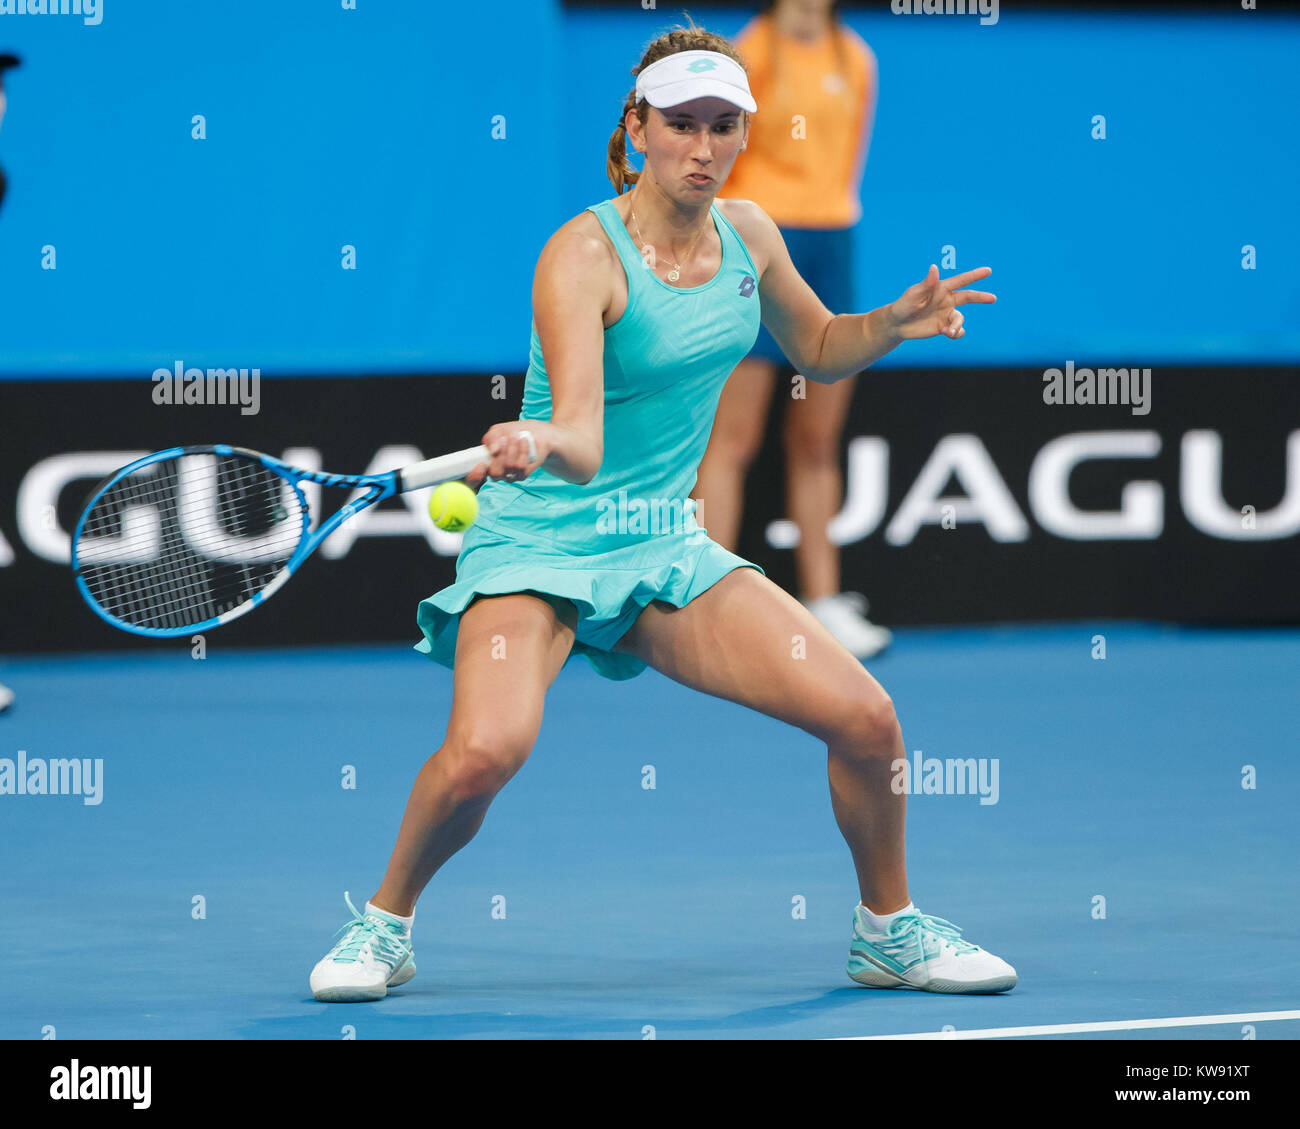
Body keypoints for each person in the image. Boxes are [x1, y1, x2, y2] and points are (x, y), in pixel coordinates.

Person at [308, 22, 1014, 1003]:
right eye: (681, 124)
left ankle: (885, 932)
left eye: (724, 126)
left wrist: (890, 324)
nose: (704, 146)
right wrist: (541, 439)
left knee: (866, 718)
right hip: (542, 541)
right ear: (637, 129)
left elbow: (813, 346)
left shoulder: (751, 237)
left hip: (661, 544)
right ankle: (384, 923)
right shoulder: (580, 255)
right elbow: (586, 437)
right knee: (482, 754)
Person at [700, 0, 889, 659]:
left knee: (815, 438)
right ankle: (707, 608)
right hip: (756, 242)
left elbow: (843, 171)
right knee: (733, 438)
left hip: (832, 249)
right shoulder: (746, 54)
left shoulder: (856, 58)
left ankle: (825, 603)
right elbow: (717, 159)